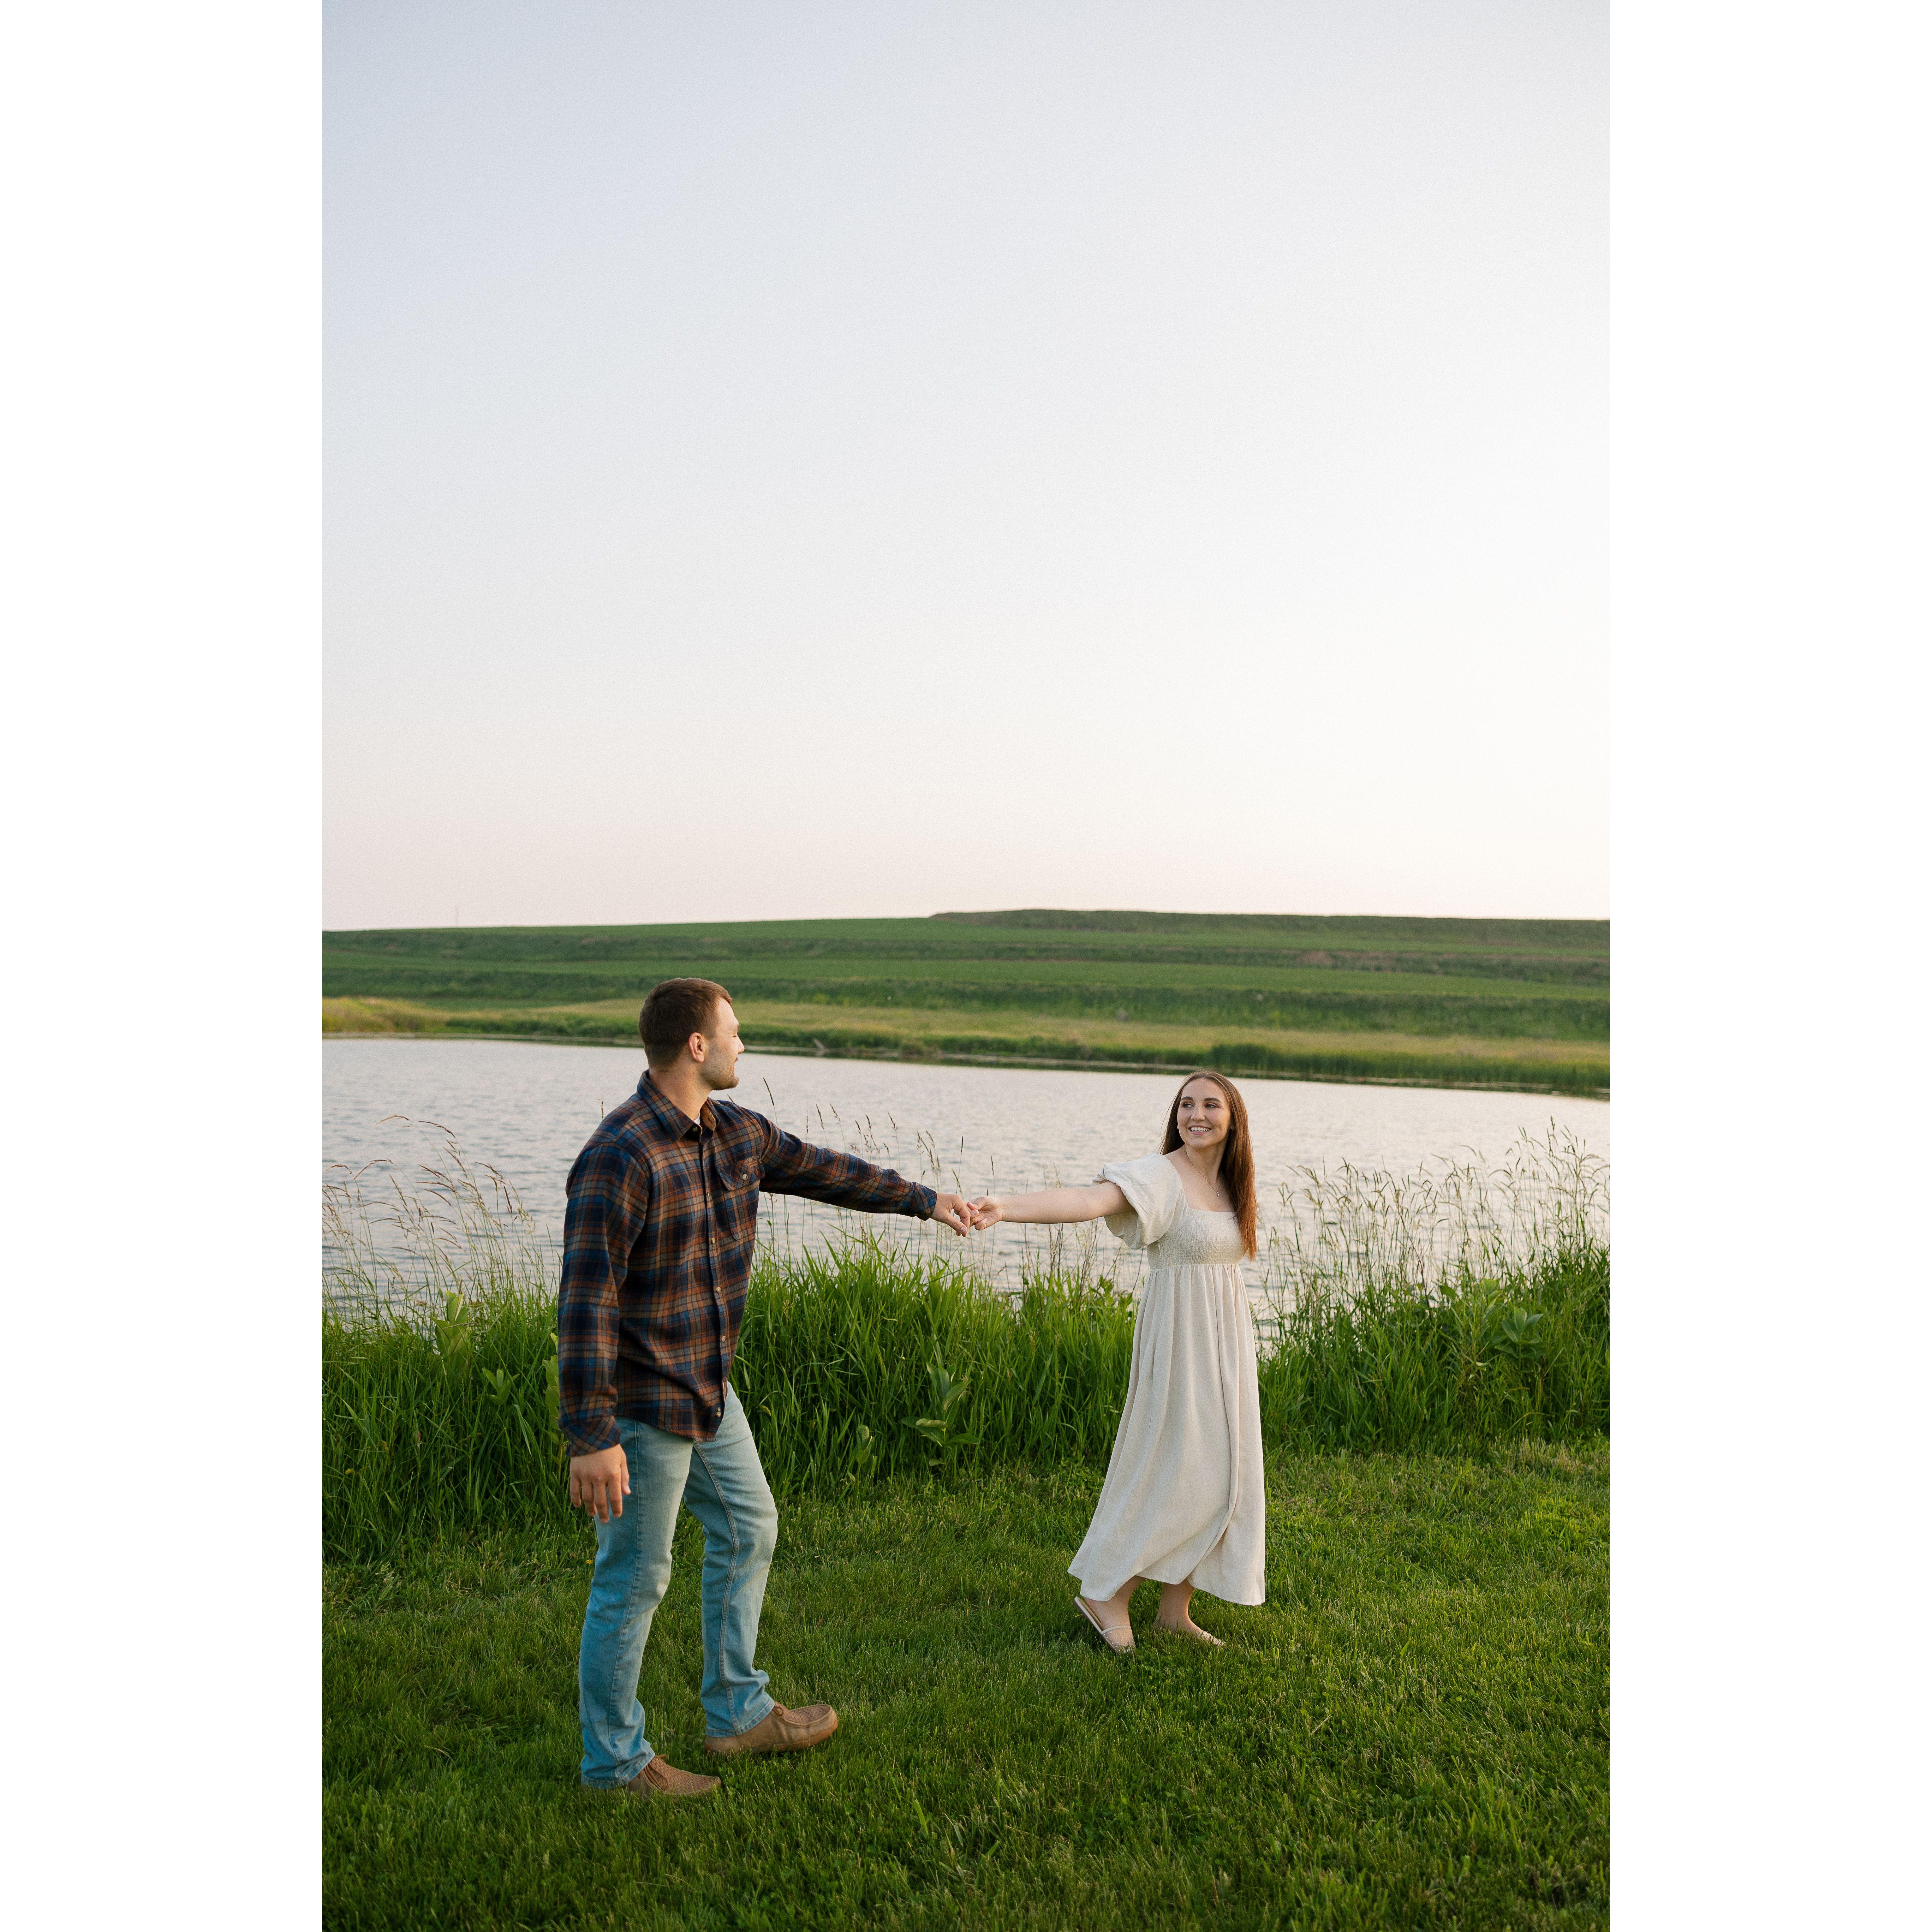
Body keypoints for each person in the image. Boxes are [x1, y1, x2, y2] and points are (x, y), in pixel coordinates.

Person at [558, 977, 974, 1798]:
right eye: (735, 1031)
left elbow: (828, 1171)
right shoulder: (621, 1153)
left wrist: (928, 1202)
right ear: (698, 1046)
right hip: (644, 1404)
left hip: (710, 1389)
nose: (744, 1044)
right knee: (634, 1580)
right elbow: (586, 1300)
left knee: (750, 1527)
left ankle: (738, 1713)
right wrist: (592, 1435)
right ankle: (614, 1764)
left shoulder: (738, 1133)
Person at [969, 1070, 1265, 1652]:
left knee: (1222, 1471)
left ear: (1234, 1120)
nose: (1196, 1115)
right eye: (1186, 1105)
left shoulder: (1235, 1184)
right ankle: (1108, 1592)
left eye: (1211, 1105)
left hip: (1225, 1343)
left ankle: (1175, 1612)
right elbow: (1088, 1200)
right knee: (1178, 1471)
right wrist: (1005, 1207)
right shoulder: (1161, 1175)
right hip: (1178, 1344)